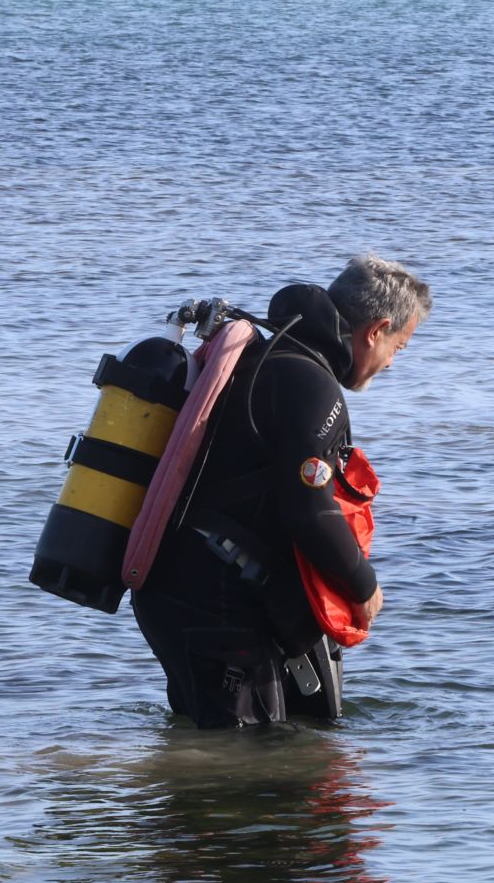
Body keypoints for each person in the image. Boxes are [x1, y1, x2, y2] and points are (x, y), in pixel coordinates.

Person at [131, 254, 430, 728]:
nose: (391, 363)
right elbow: (308, 510)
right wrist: (363, 585)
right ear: (377, 329)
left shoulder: (269, 359)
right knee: (241, 765)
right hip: (217, 604)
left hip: (181, 591)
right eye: (400, 347)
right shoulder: (310, 385)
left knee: (212, 754)